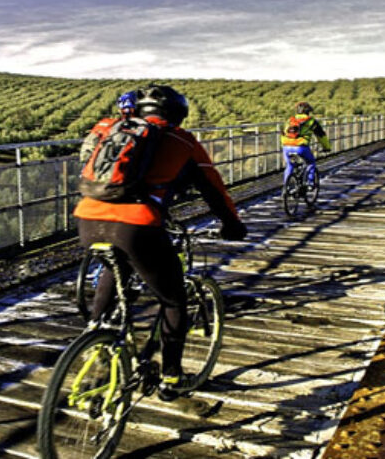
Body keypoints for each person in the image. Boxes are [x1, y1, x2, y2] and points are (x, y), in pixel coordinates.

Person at [73, 84, 247, 401]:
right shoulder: (182, 140)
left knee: (118, 264)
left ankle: (96, 333)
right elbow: (214, 189)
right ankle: (171, 377)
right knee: (173, 299)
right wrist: (233, 225)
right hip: (137, 225)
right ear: (178, 114)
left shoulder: (112, 129)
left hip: (87, 218)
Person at [280, 101, 332, 186]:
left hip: (287, 146)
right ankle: (310, 183)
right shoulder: (311, 121)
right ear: (308, 111)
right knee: (311, 163)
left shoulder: (290, 120)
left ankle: (286, 186)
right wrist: (326, 147)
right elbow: (321, 135)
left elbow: (283, 132)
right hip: (301, 147)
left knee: (290, 165)